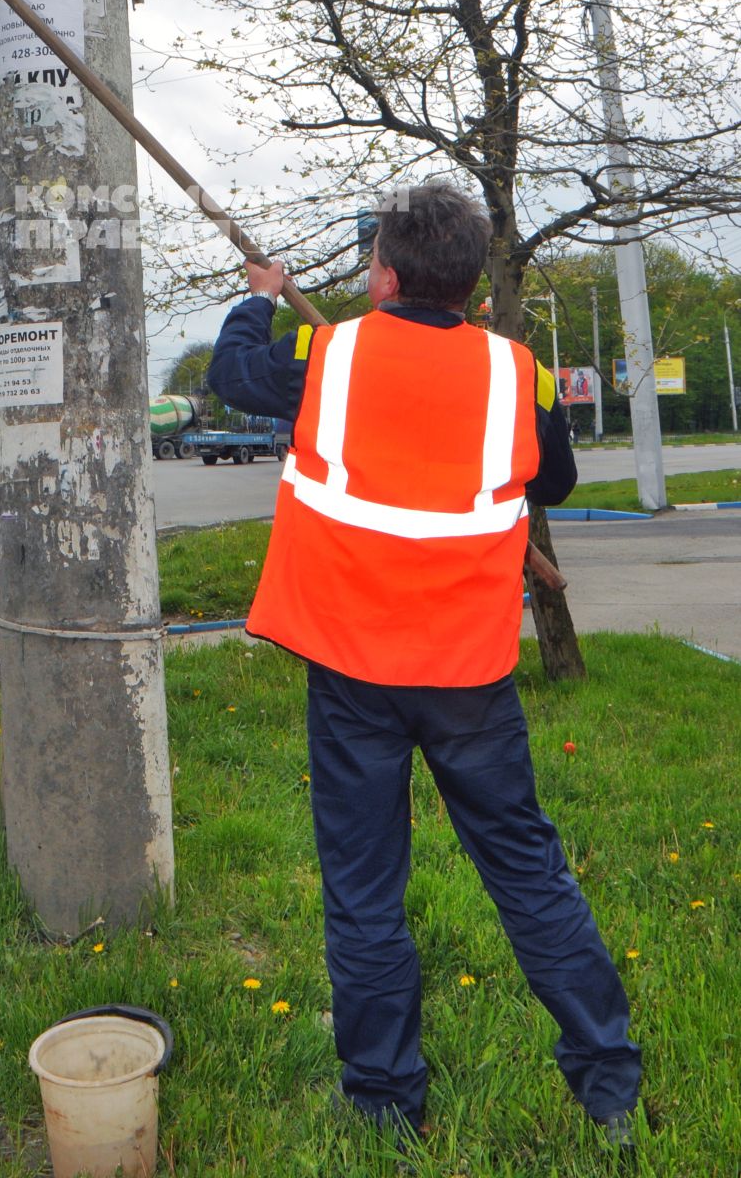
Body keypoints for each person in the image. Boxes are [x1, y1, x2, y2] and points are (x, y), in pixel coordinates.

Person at [207, 182, 641, 1151]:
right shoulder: (518, 375)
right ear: (470, 287)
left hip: (352, 674)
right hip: (469, 677)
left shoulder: (330, 353)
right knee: (527, 873)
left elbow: (231, 375)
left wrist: (260, 293)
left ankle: (383, 1101)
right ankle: (608, 1086)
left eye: (370, 265)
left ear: (387, 275)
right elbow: (552, 479)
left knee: (364, 890)